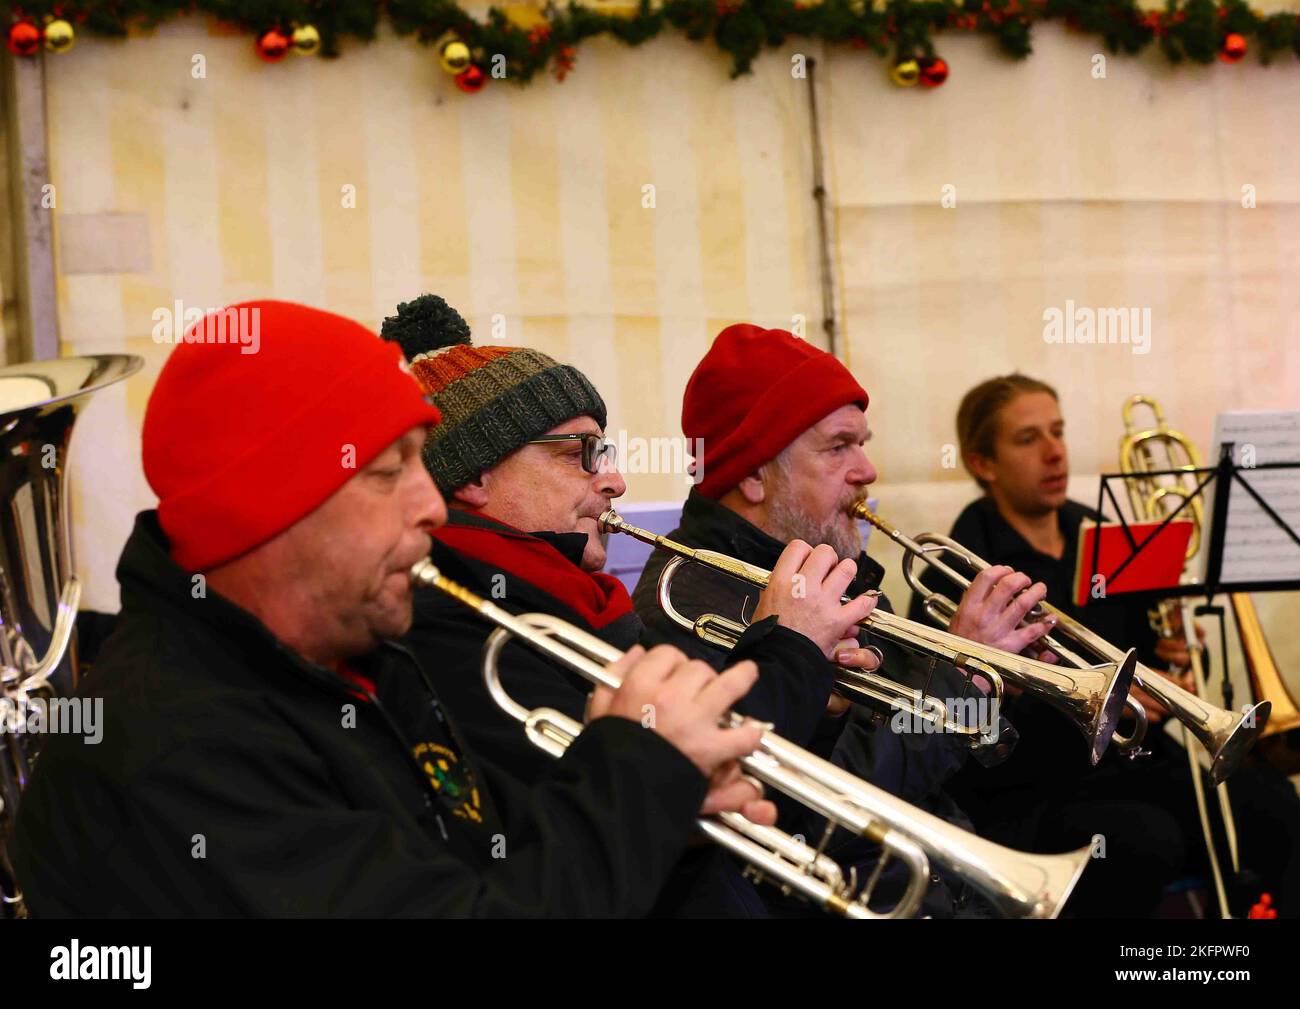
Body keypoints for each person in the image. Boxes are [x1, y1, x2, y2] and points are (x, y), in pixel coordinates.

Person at [11, 300, 775, 918]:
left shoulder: (365, 661)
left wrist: (668, 815)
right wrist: (636, 780)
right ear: (266, 511)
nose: (432, 506)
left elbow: (493, 861)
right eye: (387, 471)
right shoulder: (174, 745)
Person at [382, 295, 875, 917]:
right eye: (579, 453)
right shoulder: (466, 620)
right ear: (476, 476)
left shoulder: (569, 602)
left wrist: (820, 703)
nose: (614, 480)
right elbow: (633, 813)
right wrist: (791, 651)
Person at [633, 323, 1055, 916]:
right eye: (838, 447)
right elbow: (832, 811)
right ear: (753, 473)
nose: (867, 470)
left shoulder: (831, 563)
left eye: (863, 442)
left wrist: (996, 683)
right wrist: (965, 675)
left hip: (944, 880)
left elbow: (948, 756)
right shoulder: (688, 600)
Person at [914, 373, 1300, 917]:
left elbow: (1148, 653)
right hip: (1031, 786)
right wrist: (1124, 708)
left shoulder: (1100, 530)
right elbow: (957, 723)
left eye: (1058, 432)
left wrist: (1177, 664)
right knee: (1145, 839)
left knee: (1275, 804)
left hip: (1129, 765)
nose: (1054, 453)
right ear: (983, 463)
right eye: (1028, 439)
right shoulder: (957, 566)